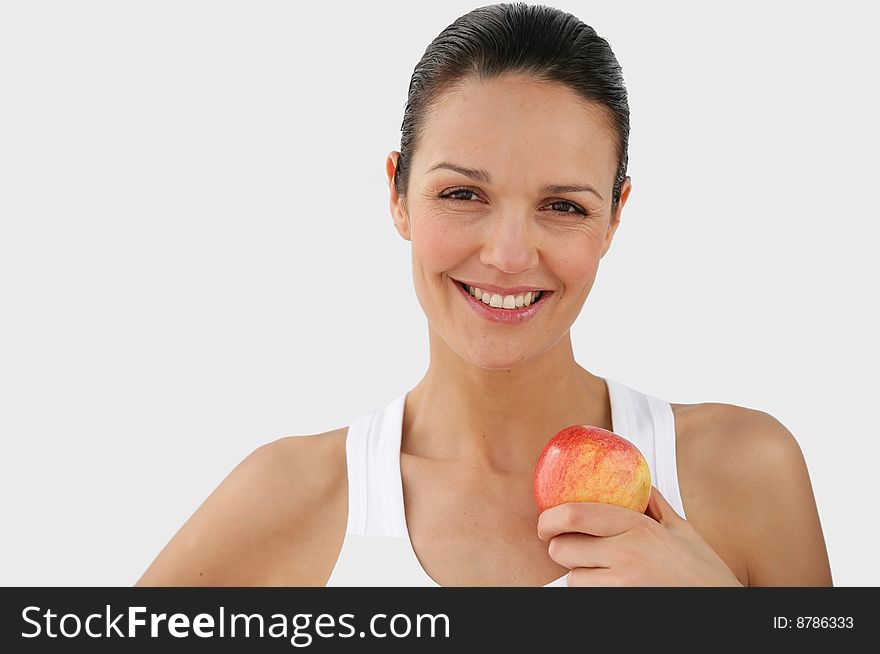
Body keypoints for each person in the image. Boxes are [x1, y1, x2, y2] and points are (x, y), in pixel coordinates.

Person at [135, 2, 832, 587]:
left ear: (615, 216)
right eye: (462, 193)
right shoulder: (292, 497)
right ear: (397, 194)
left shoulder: (744, 471)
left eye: (563, 206)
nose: (506, 255)